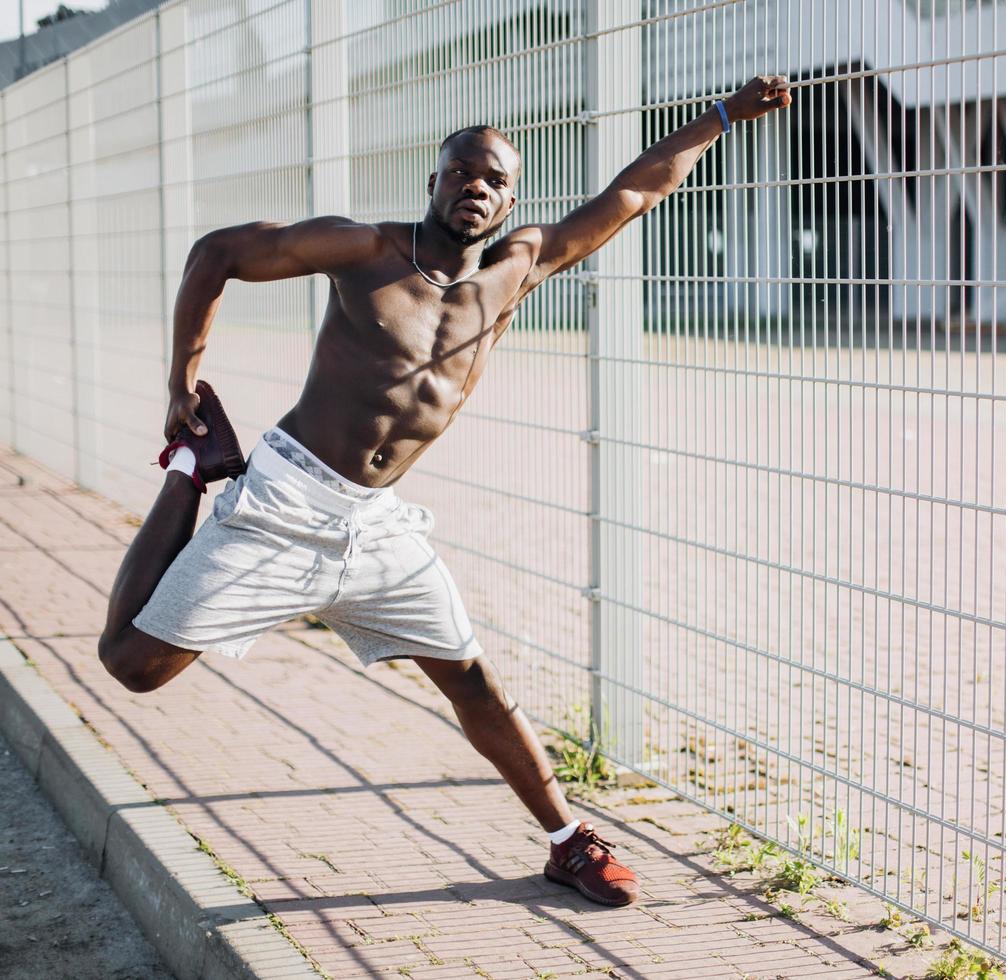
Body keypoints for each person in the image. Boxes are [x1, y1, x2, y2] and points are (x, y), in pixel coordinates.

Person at [96, 75, 793, 908]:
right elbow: (217, 253)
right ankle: (191, 472)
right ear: (435, 180)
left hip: (377, 525)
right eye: (464, 170)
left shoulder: (516, 269)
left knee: (471, 679)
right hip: (286, 502)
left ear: (510, 201)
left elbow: (635, 190)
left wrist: (721, 116)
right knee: (133, 664)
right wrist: (182, 383)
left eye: (496, 180)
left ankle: (568, 841)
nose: (478, 186)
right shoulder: (363, 252)